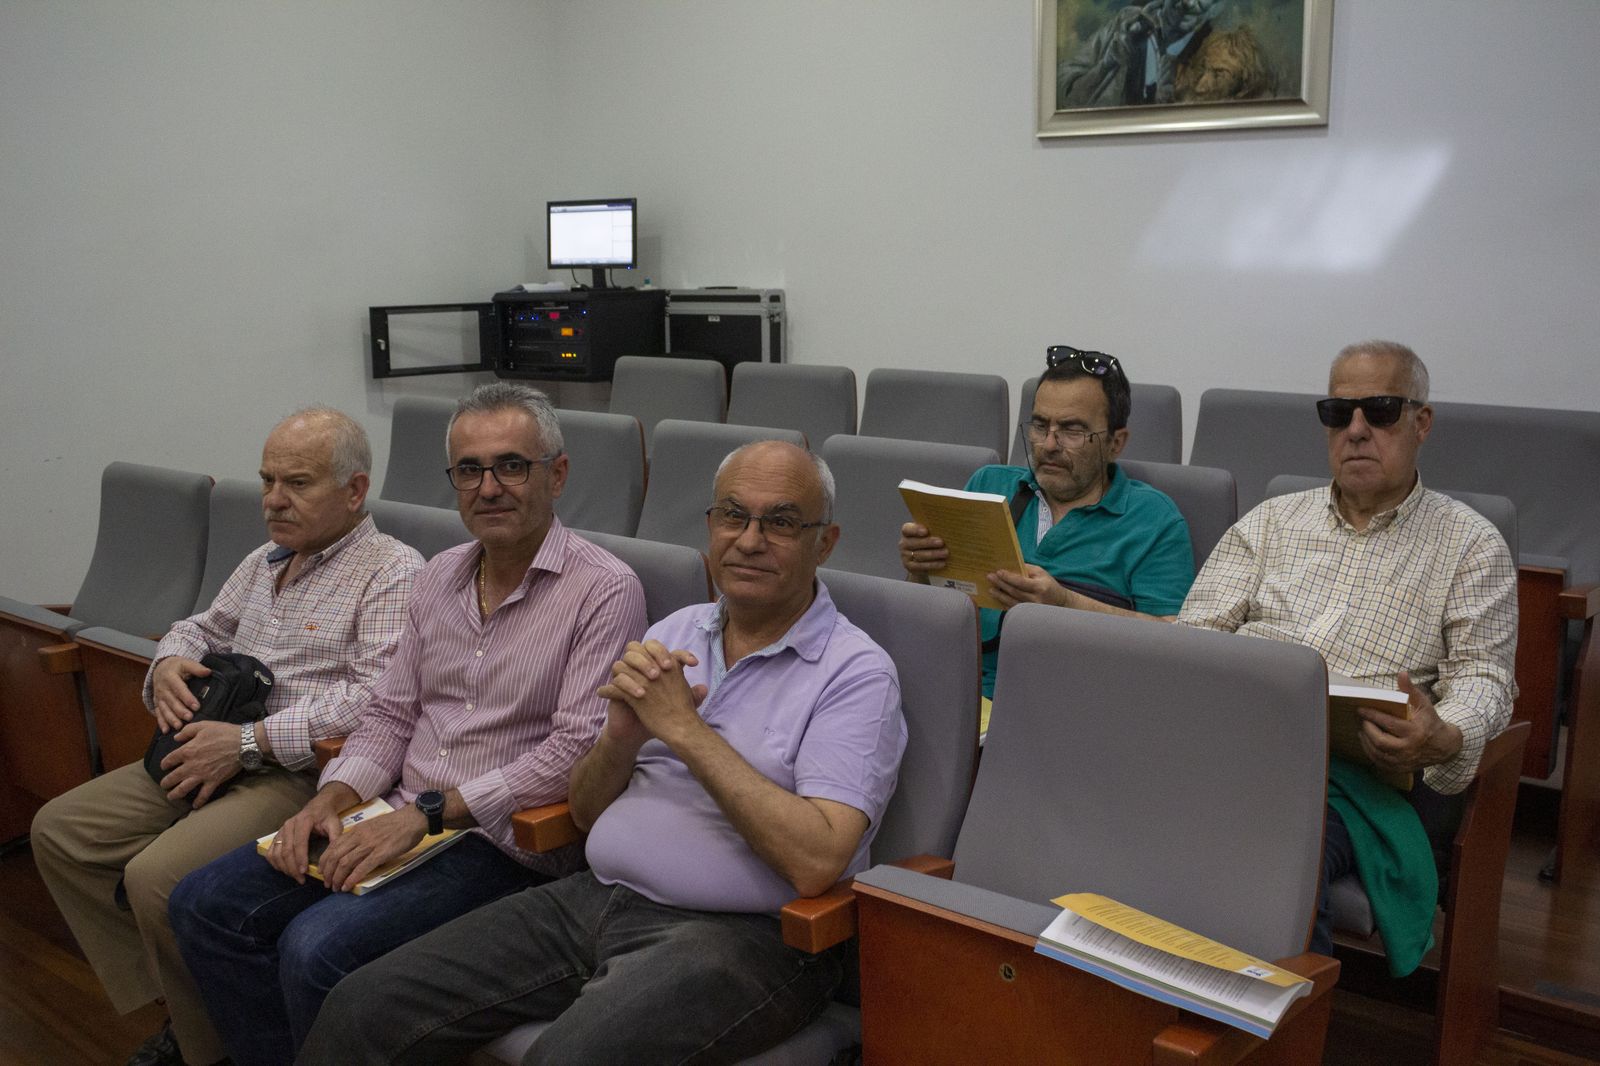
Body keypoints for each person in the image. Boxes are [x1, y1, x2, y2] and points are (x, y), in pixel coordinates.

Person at [297, 440, 908, 1065]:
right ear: (709, 527)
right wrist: (620, 736)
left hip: (745, 939)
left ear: (824, 543)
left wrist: (686, 733)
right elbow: (586, 812)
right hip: (593, 898)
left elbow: (817, 861)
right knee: (362, 1006)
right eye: (733, 516)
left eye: (779, 522)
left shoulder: (854, 672)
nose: (749, 540)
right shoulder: (677, 630)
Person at [166, 383, 647, 1066]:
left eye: (512, 465)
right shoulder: (440, 577)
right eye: (469, 470)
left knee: (316, 948)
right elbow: (391, 712)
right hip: (396, 814)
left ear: (556, 475)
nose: (489, 487)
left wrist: (427, 814)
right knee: (204, 904)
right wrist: (329, 801)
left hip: (501, 843)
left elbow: (574, 749)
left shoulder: (603, 589)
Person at [1063, 341, 1518, 971]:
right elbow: (1193, 642)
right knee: (1095, 802)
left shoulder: (1469, 545)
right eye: (1338, 412)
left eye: (1379, 410)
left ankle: (1265, 1029)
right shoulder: (1269, 523)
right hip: (1236, 747)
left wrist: (1443, 734)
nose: (1356, 431)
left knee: (1272, 854)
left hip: (1358, 776)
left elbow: (1484, 677)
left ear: (1421, 423)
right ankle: (1130, 1002)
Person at [31, 407, 423, 1066]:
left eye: (297, 483)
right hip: (214, 744)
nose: (273, 499)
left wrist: (248, 744)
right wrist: (168, 664)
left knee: (156, 877)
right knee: (61, 832)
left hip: (301, 773)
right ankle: (190, 1012)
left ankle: (205, 1051)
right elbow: (199, 625)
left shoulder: (391, 570)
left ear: (355, 491)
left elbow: (374, 702)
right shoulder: (267, 558)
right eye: (268, 479)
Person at [898, 346, 1194, 703]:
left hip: (1074, 704)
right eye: (1040, 426)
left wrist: (1065, 605)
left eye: (1071, 431)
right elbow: (935, 616)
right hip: (961, 692)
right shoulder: (988, 487)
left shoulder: (1154, 519)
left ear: (1116, 443)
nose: (1049, 445)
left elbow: (1177, 645)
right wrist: (918, 573)